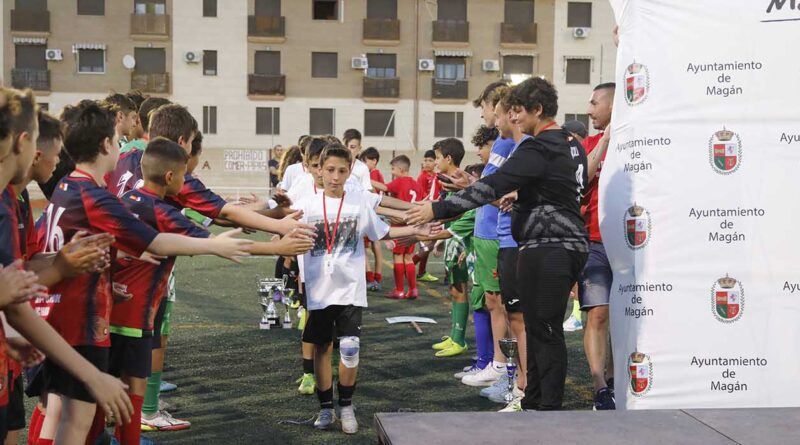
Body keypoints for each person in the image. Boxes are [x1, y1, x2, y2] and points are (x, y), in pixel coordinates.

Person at [39, 99, 253, 444]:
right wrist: (214, 245)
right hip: (79, 322)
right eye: (116, 138)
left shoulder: (64, 189)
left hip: (55, 316)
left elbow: (49, 252)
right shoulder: (94, 196)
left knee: (55, 414)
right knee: (73, 425)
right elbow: (153, 241)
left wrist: (106, 277)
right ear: (107, 145)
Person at [408, 77, 589, 411]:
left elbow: (494, 185)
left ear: (537, 110)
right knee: (537, 328)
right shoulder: (571, 142)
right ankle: (535, 400)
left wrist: (437, 208)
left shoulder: (540, 145)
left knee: (544, 330)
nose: (514, 118)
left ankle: (547, 409)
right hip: (561, 244)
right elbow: (554, 189)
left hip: (549, 247)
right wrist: (521, 197)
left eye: (519, 111)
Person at [294, 143, 438, 434]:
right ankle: (325, 408)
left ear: (350, 172)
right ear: (319, 170)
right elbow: (282, 226)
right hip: (320, 290)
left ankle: (346, 406)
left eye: (342, 171)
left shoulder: (357, 201)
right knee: (322, 347)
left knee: (349, 349)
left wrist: (415, 230)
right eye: (330, 170)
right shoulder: (306, 204)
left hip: (350, 290)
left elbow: (383, 231)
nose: (335, 176)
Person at [460, 82, 514, 389]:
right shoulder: (501, 146)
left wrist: (471, 191)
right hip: (487, 233)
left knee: (501, 304)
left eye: (484, 107)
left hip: (498, 234)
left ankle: (501, 366)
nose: (483, 115)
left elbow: (501, 194)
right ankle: (497, 364)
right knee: (492, 301)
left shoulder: (508, 144)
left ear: (497, 105)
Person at [580, 82, 616, 410]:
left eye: (595, 103)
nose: (589, 110)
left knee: (627, 317)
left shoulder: (642, 143)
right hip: (594, 242)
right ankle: (599, 386)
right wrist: (606, 140)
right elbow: (582, 178)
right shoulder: (590, 143)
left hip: (636, 244)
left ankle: (617, 380)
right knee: (599, 314)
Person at [373, 155, 423, 300]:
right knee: (408, 257)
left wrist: (366, 179)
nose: (392, 172)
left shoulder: (400, 181)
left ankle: (399, 289)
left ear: (401, 169)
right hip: (413, 225)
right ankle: (413, 289)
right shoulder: (416, 184)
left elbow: (384, 187)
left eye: (393, 169)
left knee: (398, 257)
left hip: (399, 225)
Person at [413, 149, 440, 284]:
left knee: (428, 244)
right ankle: (410, 266)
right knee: (426, 245)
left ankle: (421, 272)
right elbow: (422, 196)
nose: (427, 163)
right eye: (426, 160)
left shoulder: (436, 176)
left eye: (431, 160)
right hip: (426, 212)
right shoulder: (423, 177)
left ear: (436, 162)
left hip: (433, 212)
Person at [360, 147, 384, 291]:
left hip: (372, 211)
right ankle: (375, 276)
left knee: (369, 244)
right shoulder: (373, 173)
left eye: (365, 161)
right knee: (373, 244)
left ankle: (372, 277)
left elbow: (377, 190)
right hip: (373, 211)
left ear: (374, 161)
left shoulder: (373, 173)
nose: (363, 164)